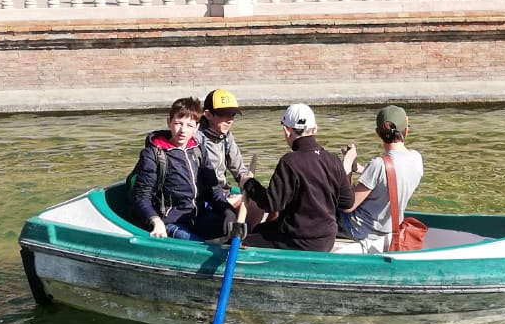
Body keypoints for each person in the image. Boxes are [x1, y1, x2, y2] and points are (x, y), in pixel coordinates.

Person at [241, 104, 352, 252]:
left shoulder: (289, 162)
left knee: (243, 240)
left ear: (287, 130)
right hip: (327, 238)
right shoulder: (333, 160)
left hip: (299, 240)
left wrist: (249, 184)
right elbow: (347, 202)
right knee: (261, 229)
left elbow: (271, 204)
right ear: (315, 129)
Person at [131, 96, 233, 241]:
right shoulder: (153, 154)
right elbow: (141, 197)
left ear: (196, 127)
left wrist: (228, 211)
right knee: (197, 245)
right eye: (178, 123)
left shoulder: (198, 150)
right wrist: (156, 220)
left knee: (239, 228)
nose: (183, 130)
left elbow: (213, 189)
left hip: (198, 217)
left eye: (189, 125)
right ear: (169, 122)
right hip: (170, 222)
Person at [335, 105, 425, 254]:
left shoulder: (378, 165)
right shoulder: (416, 158)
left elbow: (347, 205)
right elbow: (390, 176)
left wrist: (347, 165)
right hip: (392, 227)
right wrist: (360, 169)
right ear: (406, 131)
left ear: (377, 133)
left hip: (359, 229)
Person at [198, 87, 256, 197]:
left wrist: (247, 183)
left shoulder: (227, 137)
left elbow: (239, 170)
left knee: (259, 201)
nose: (229, 120)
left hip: (224, 191)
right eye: (223, 114)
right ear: (208, 114)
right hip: (204, 195)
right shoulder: (196, 139)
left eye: (232, 114)